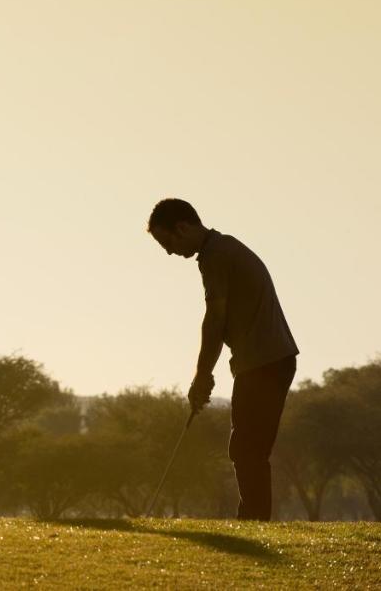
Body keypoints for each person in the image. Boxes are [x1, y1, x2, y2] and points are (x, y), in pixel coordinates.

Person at [147, 198, 299, 521]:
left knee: (246, 448)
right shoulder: (223, 248)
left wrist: (202, 375)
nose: (169, 252)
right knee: (249, 448)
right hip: (269, 359)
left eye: (168, 242)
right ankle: (255, 520)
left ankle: (254, 522)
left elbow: (215, 319)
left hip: (264, 361)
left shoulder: (215, 256)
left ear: (183, 227)